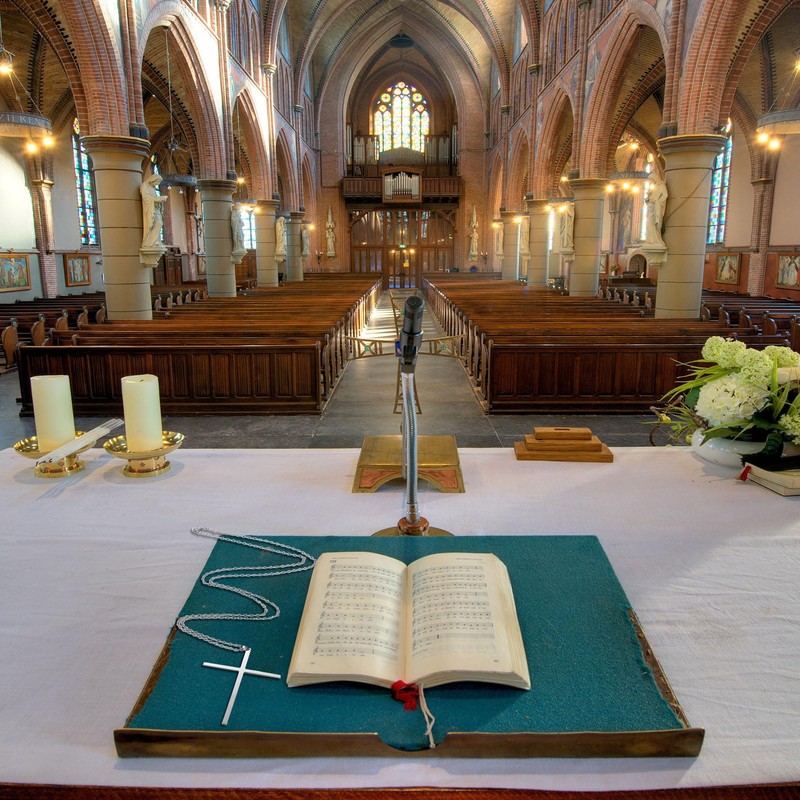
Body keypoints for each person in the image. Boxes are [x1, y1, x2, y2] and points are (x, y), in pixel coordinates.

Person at [140, 173, 167, 249]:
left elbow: (154, 197)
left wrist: (160, 199)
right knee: (157, 224)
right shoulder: (145, 186)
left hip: (155, 208)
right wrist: (157, 199)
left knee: (159, 224)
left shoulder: (153, 188)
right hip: (150, 209)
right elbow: (146, 198)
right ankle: (150, 242)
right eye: (157, 182)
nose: (157, 184)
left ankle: (154, 241)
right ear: (153, 180)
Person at [644, 175, 668, 247]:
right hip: (650, 207)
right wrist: (648, 198)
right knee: (649, 224)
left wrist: (657, 201)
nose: (650, 182)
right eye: (650, 181)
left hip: (656, 207)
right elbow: (650, 197)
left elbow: (665, 195)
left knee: (654, 224)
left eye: (651, 180)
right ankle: (650, 240)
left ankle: (656, 240)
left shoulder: (661, 185)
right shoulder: (653, 188)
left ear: (655, 179)